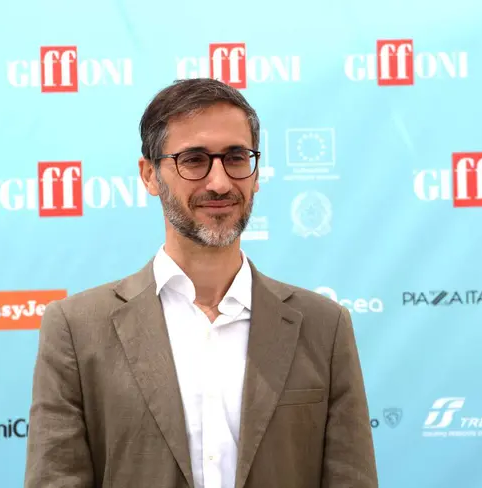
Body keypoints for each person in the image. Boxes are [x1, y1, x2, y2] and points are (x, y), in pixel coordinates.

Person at [24, 78, 378, 488]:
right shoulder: (76, 327)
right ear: (150, 175)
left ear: (256, 172)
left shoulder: (323, 326)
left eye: (236, 157)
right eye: (194, 160)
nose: (220, 182)